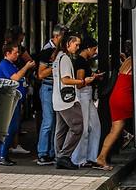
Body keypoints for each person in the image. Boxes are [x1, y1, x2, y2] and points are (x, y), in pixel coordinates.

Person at [52, 33, 97, 170]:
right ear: (68, 44)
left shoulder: (57, 57)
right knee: (78, 126)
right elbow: (65, 80)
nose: (78, 47)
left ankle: (59, 156)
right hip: (67, 99)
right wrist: (82, 81)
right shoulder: (65, 59)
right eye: (76, 44)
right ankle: (64, 156)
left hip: (58, 98)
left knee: (61, 130)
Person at [0, 42, 36, 166]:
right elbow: (15, 78)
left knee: (13, 127)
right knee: (10, 127)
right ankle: (1, 154)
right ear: (7, 53)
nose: (17, 55)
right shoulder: (4, 64)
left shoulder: (12, 64)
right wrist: (26, 67)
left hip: (15, 99)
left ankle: (4, 154)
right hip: (9, 100)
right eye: (15, 52)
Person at [35, 24, 67, 165]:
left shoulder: (60, 50)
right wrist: (55, 65)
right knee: (48, 121)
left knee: (55, 121)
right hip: (48, 87)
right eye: (63, 37)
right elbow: (41, 74)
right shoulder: (47, 50)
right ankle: (42, 152)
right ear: (56, 36)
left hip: (55, 88)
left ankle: (52, 152)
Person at [95, 56, 134, 171]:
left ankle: (126, 135)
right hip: (124, 97)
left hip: (118, 96)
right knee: (116, 130)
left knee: (115, 129)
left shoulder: (128, 60)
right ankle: (101, 157)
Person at [71, 37, 104, 167]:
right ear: (88, 48)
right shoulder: (81, 62)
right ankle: (79, 159)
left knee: (95, 125)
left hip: (87, 95)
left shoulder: (83, 61)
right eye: (94, 49)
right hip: (83, 95)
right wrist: (89, 80)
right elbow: (80, 83)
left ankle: (91, 156)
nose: (95, 52)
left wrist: (93, 77)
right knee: (85, 128)